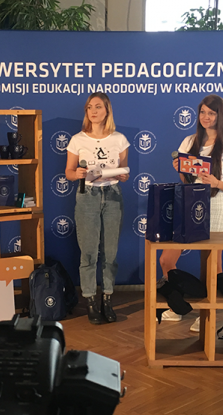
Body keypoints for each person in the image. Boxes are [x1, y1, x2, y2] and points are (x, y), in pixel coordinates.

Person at [160, 94, 223, 332]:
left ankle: (208, 315)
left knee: (213, 264)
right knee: (166, 259)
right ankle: (177, 306)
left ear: (220, 116)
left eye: (211, 113)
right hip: (190, 203)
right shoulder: (189, 141)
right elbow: (186, 180)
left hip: (217, 204)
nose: (206, 117)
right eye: (203, 112)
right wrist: (179, 169)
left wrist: (216, 182)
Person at [64, 92, 130, 324]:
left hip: (112, 195)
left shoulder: (119, 139)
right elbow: (69, 172)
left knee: (110, 253)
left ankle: (107, 299)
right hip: (87, 195)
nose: (93, 111)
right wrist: (77, 174)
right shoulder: (77, 140)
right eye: (90, 107)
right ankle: (90, 301)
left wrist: (122, 176)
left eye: (98, 107)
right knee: (89, 252)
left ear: (107, 110)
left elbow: (124, 170)